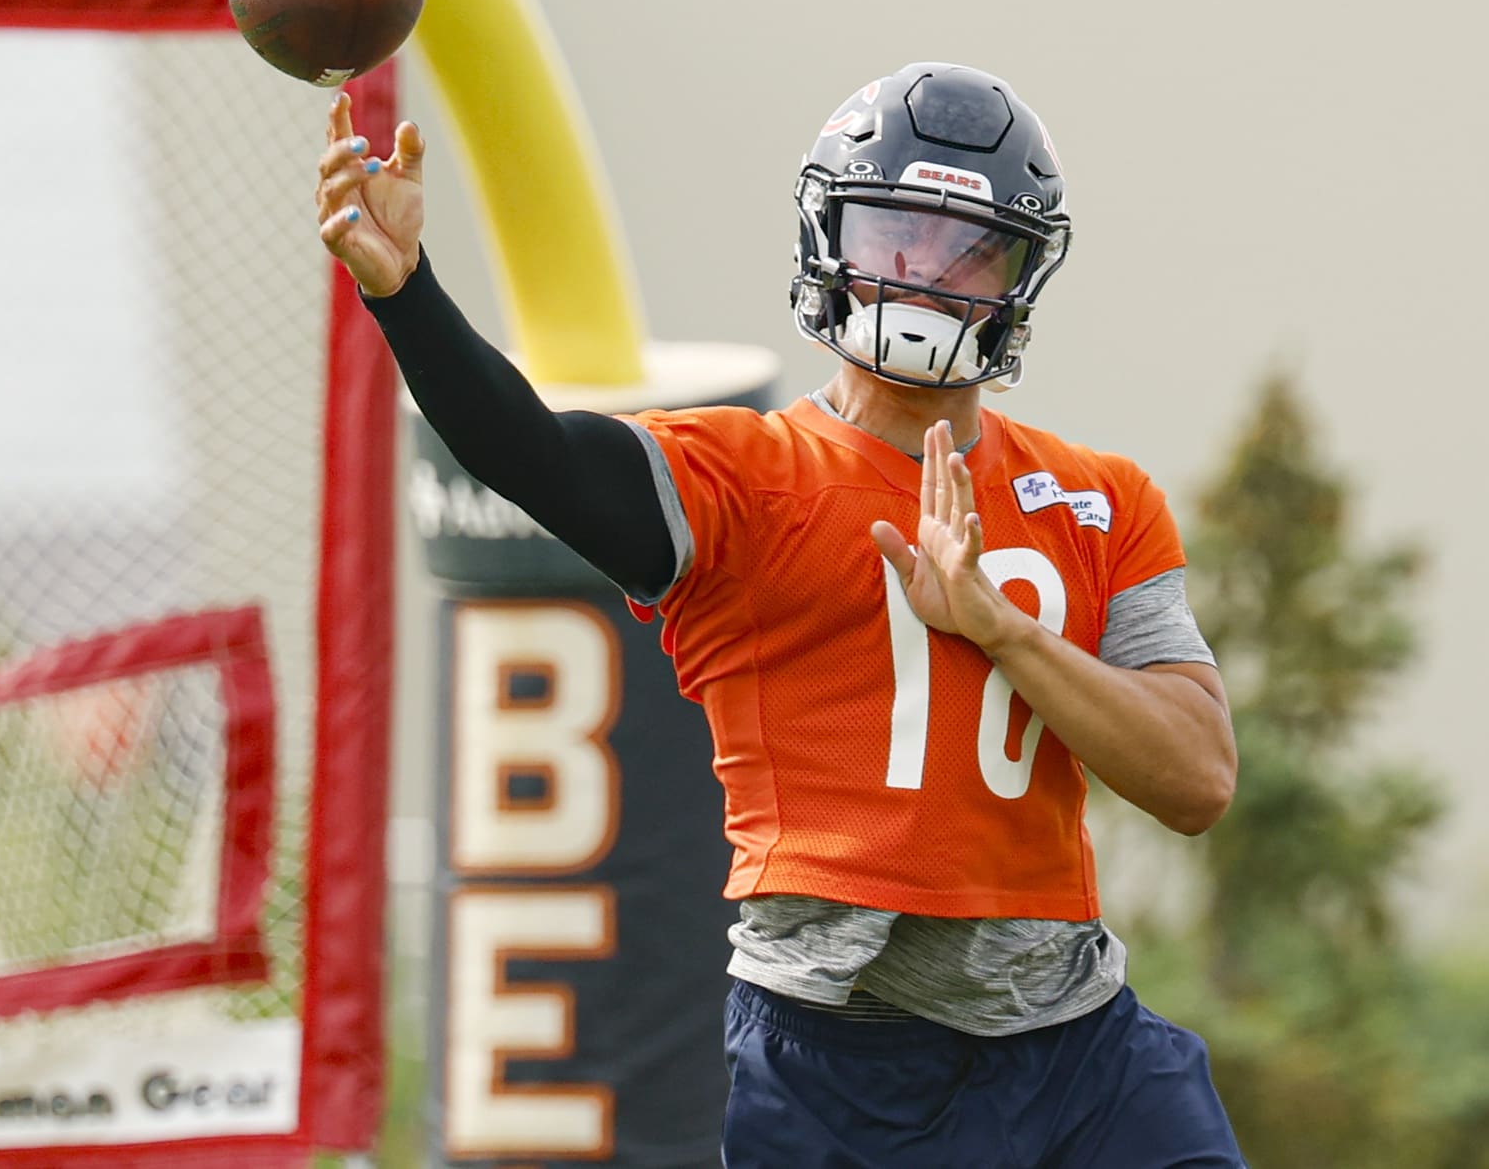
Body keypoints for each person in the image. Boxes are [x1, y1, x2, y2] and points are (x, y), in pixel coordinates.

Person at [317, 61, 1244, 1168]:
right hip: (839, 1054)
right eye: (892, 236)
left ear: (1017, 274)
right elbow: (531, 454)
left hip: (1076, 1042)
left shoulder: (1100, 499)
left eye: (965, 250)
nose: (922, 277)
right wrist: (404, 291)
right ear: (829, 242)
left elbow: (1196, 780)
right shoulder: (741, 475)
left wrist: (1002, 629)